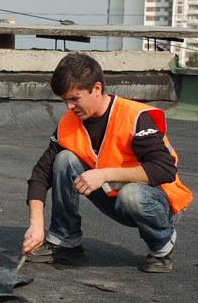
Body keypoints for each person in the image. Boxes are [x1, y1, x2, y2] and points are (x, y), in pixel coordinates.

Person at [22, 52, 193, 273]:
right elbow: (41, 173)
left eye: (74, 98)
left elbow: (165, 169)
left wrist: (103, 174)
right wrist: (36, 225)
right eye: (64, 100)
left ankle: (161, 245)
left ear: (96, 88)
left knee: (132, 194)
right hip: (113, 196)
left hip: (156, 202)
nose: (69, 107)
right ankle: (66, 244)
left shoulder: (134, 117)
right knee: (64, 160)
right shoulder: (70, 122)